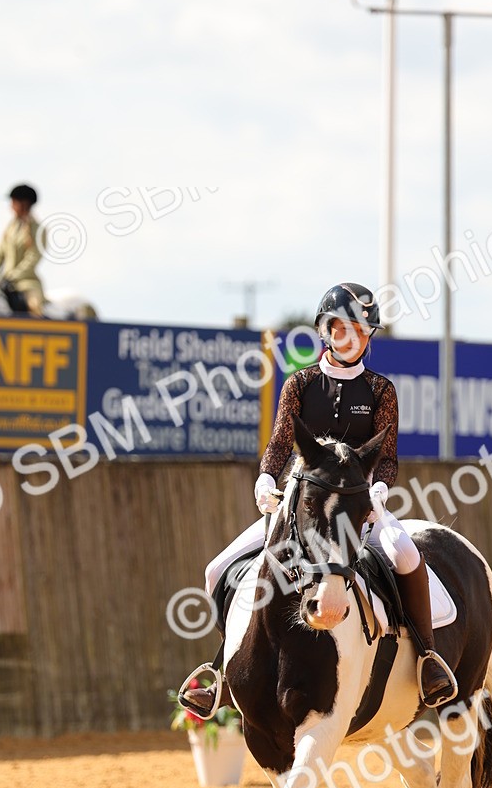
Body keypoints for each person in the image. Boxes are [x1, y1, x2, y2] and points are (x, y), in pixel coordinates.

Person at [183, 282, 458, 716]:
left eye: (361, 331)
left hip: (358, 507)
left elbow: (387, 457)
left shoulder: (380, 390)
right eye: (342, 328)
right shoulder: (300, 383)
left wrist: (379, 489)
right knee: (216, 569)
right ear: (325, 330)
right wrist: (265, 479)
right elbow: (279, 443)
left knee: (406, 555)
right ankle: (223, 671)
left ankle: (427, 657)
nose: (352, 338)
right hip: (303, 506)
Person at [0, 184, 47, 317]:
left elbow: (32, 259)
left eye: (13, 202)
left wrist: (11, 277)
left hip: (26, 283)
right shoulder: (10, 229)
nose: (11, 206)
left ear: (24, 204)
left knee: (34, 306)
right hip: (4, 283)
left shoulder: (38, 230)